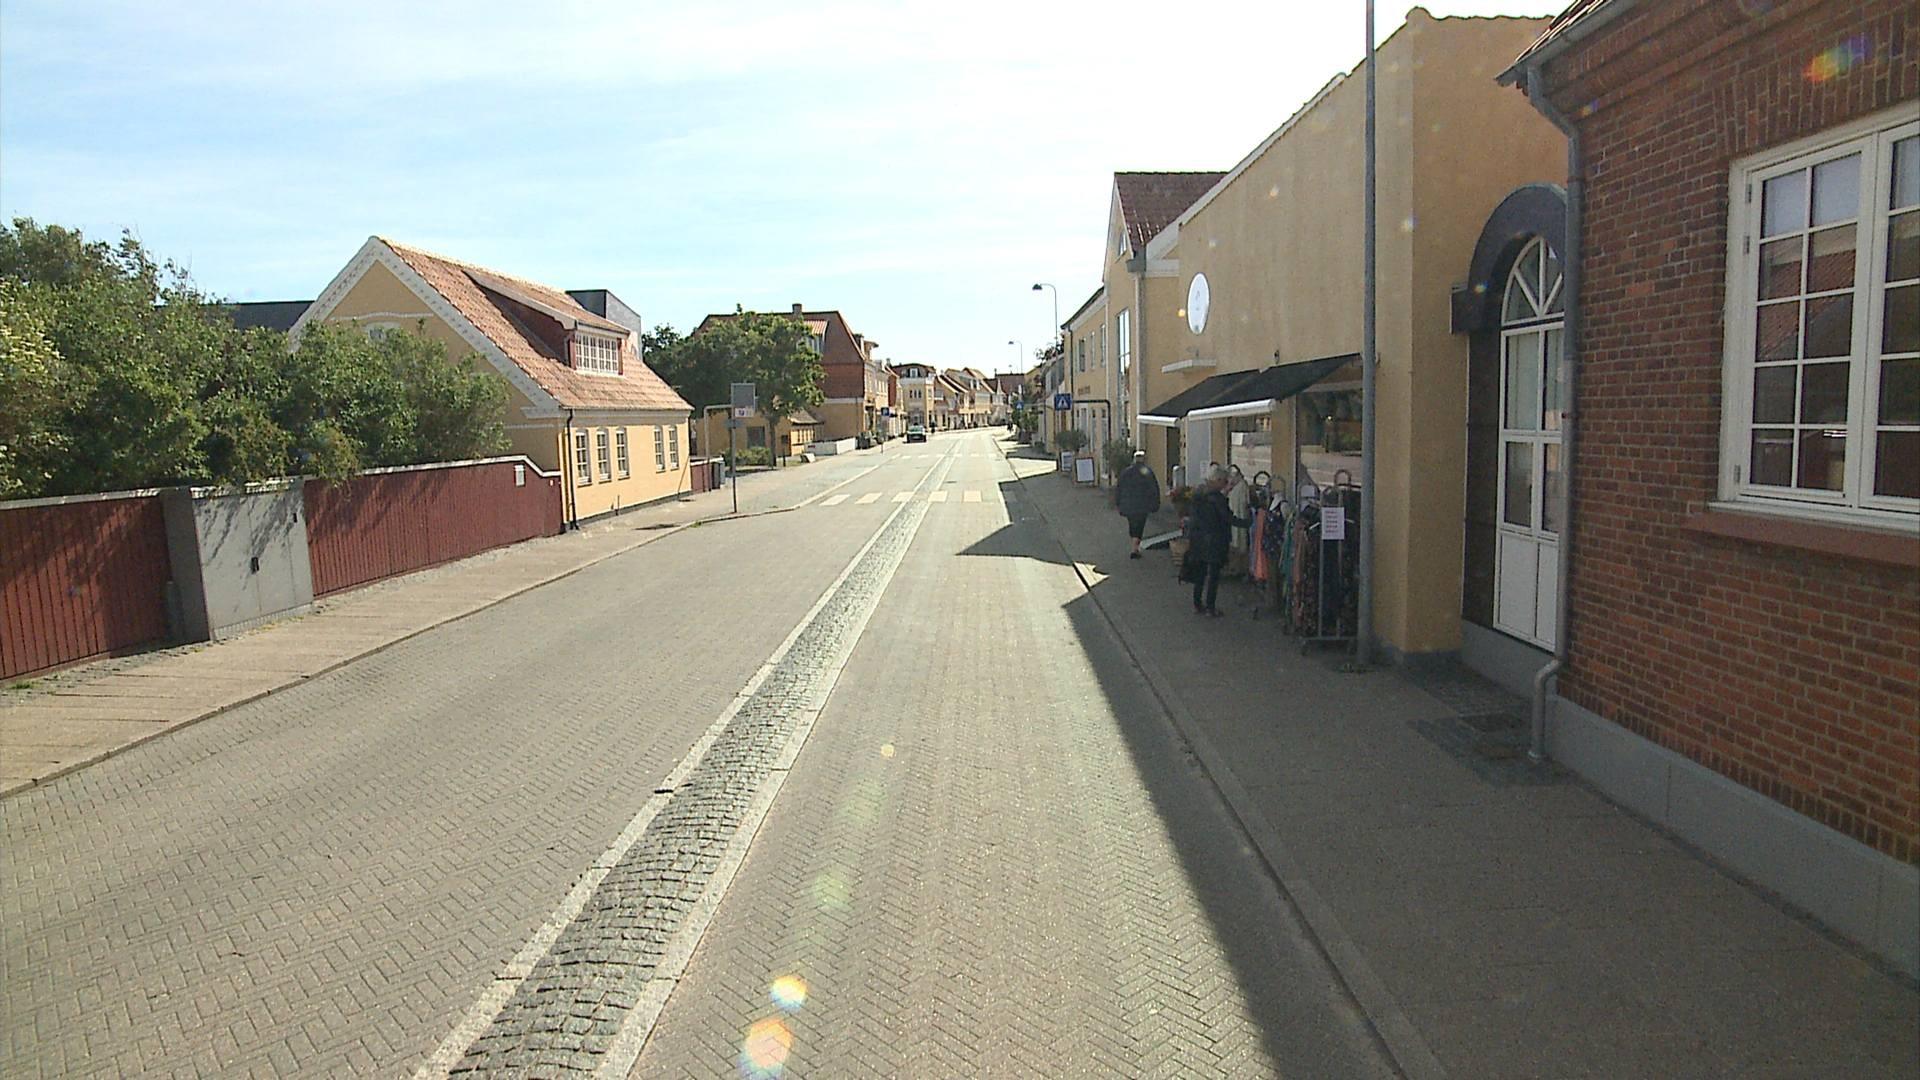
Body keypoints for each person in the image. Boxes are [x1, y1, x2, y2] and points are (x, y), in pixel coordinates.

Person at [1186, 465, 1249, 616]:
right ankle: (1210, 607)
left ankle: (1197, 604)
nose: (1226, 484)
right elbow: (1227, 518)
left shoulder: (1199, 493)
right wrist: (1248, 523)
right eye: (1224, 481)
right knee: (1213, 575)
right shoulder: (1217, 499)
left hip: (1198, 538)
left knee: (1200, 574)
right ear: (1218, 480)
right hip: (1214, 540)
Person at [1113, 449, 1161, 559]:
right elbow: (1154, 489)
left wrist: (1118, 503)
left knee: (1132, 524)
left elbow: (1119, 488)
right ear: (1143, 459)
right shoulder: (1147, 472)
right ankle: (1135, 548)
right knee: (1140, 525)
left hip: (1128, 505)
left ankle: (1134, 546)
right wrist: (1156, 503)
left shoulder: (1126, 472)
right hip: (1142, 505)